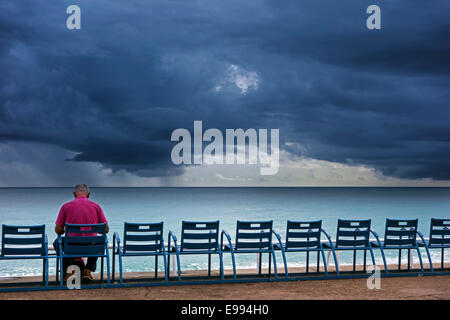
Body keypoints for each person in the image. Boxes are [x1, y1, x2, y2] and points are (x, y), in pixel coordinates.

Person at [53, 184, 109, 281]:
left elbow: (58, 230)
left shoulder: (65, 206)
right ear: (88, 194)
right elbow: (106, 229)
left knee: (57, 243)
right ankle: (87, 270)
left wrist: (66, 229)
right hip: (91, 245)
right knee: (102, 241)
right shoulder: (96, 207)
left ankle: (71, 270)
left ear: (74, 194)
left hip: (71, 245)